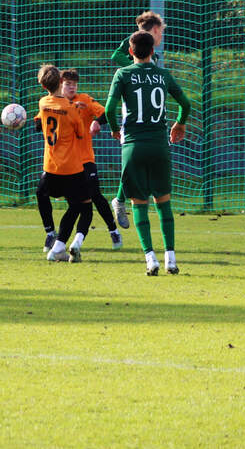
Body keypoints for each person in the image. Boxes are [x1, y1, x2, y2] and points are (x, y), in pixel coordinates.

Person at [105, 30, 193, 276]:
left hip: (133, 146)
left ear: (130, 51)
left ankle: (150, 259)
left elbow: (109, 109)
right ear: (153, 51)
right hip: (159, 145)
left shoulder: (123, 74)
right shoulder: (163, 75)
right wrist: (180, 123)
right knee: (163, 203)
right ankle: (171, 260)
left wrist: (115, 130)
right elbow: (186, 104)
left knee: (139, 203)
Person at [105, 11, 166, 228]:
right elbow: (116, 56)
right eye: (162, 32)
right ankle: (121, 200)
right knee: (132, 163)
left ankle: (121, 199)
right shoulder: (135, 41)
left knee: (139, 163)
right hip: (132, 114)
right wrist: (133, 68)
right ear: (156, 29)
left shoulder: (153, 57)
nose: (162, 36)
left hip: (150, 116)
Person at [34, 65, 92, 263]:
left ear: (44, 86)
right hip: (72, 168)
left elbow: (52, 113)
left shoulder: (43, 103)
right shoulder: (70, 108)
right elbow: (81, 133)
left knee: (43, 194)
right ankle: (63, 245)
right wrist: (75, 109)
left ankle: (53, 238)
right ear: (61, 82)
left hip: (50, 167)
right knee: (83, 207)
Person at [61, 68, 123, 250]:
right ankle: (56, 237)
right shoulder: (54, 103)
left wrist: (97, 121)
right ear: (60, 85)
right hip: (65, 162)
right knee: (73, 203)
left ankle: (113, 230)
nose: (72, 87)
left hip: (85, 159)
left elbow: (106, 113)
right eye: (68, 84)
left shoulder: (84, 100)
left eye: (74, 84)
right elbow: (40, 123)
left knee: (95, 195)